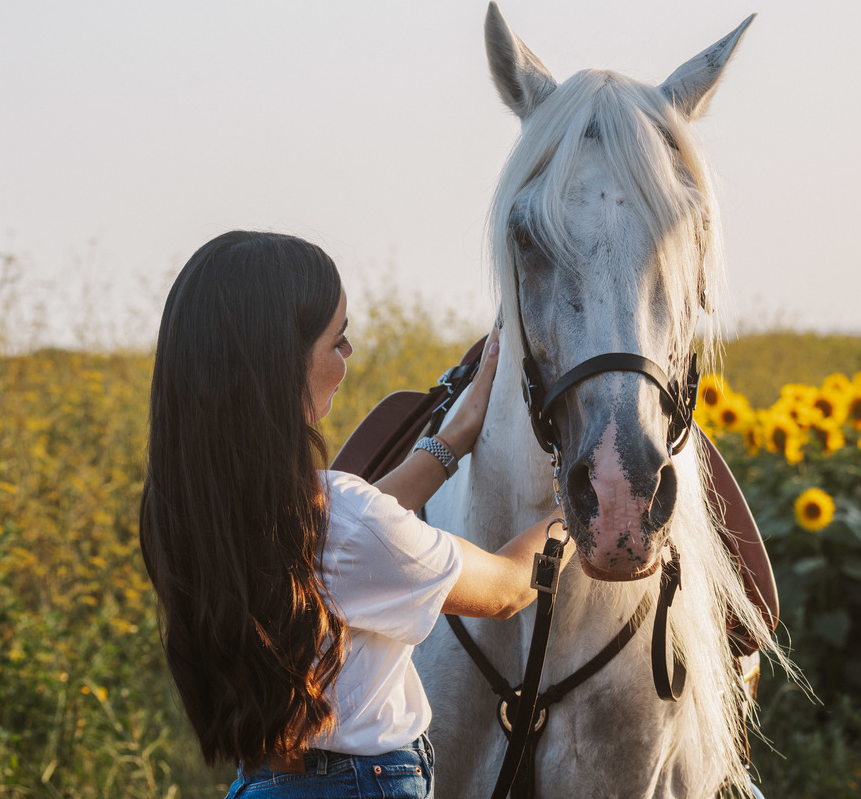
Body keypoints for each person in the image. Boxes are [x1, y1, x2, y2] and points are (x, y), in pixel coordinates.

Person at [139, 230, 570, 798]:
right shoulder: (344, 520)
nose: (348, 357)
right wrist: (576, 513)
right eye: (337, 342)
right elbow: (507, 589)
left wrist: (450, 441)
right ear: (281, 365)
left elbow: (349, 536)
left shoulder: (190, 507)